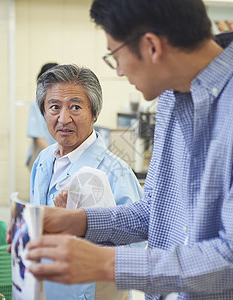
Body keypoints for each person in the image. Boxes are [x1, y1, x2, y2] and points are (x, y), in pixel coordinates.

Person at [21, 1, 233, 299]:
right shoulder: (173, 100)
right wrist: (76, 220)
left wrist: (106, 262)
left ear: (151, 47)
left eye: (115, 56)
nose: (119, 71)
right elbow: (155, 212)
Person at [29, 64, 143, 300]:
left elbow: (137, 249)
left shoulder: (116, 172)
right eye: (54, 107)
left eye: (75, 107)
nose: (63, 118)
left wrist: (82, 226)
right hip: (49, 287)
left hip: (93, 291)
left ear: (94, 113)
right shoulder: (43, 161)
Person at [26, 63, 58, 170]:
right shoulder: (37, 104)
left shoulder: (63, 103)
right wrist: (57, 156)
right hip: (44, 156)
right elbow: (39, 138)